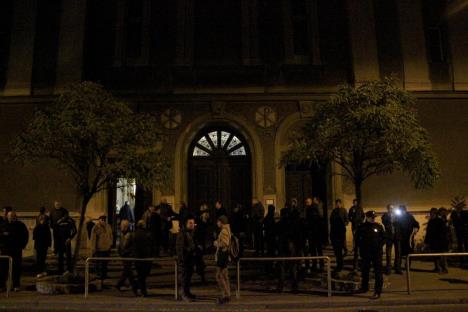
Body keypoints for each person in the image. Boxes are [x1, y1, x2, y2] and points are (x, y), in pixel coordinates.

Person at [356, 210, 385, 299]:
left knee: (378, 272)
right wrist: (360, 249)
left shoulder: (378, 227)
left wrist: (379, 246)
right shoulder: (362, 227)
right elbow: (357, 239)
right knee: (365, 271)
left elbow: (384, 238)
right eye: (371, 217)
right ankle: (364, 287)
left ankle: (377, 291)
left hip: (376, 253)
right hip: (366, 253)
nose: (373, 219)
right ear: (367, 217)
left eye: (374, 217)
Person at [3, 212, 29, 291]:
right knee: (4, 268)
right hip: (5, 250)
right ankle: (3, 285)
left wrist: (22, 245)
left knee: (16, 268)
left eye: (13, 216)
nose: (12, 218)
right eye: (10, 216)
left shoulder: (20, 225)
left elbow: (25, 235)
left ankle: (16, 285)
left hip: (17, 249)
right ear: (7, 217)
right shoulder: (3, 225)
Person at [176, 216, 197, 301]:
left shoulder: (190, 233)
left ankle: (187, 292)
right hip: (185, 259)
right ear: (186, 224)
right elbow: (179, 247)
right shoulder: (182, 233)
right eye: (190, 223)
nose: (192, 225)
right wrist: (181, 259)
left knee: (188, 277)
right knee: (184, 278)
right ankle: (184, 294)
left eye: (193, 223)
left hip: (190, 259)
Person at [394, 205, 419, 273]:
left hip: (408, 239)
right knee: (399, 253)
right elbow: (393, 225)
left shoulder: (409, 216)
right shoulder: (397, 217)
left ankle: (407, 266)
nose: (402, 212)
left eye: (403, 210)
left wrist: (416, 229)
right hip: (400, 238)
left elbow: (416, 224)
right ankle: (398, 268)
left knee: (409, 253)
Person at [116, 220, 138, 295]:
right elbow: (120, 245)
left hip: (128, 256)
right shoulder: (122, 234)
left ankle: (121, 284)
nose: (121, 227)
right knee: (128, 271)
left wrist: (124, 252)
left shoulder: (130, 235)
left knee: (127, 271)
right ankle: (133, 286)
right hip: (124, 255)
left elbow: (132, 247)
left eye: (122, 226)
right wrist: (119, 251)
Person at [425, 208, 449, 273]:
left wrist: (445, 241)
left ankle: (444, 269)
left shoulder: (440, 221)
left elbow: (444, 232)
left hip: (440, 242)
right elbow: (428, 232)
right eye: (430, 214)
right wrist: (426, 241)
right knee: (435, 256)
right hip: (433, 242)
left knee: (442, 256)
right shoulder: (430, 222)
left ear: (435, 214)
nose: (431, 215)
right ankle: (437, 268)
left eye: (432, 214)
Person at [214, 215, 232, 304]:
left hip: (222, 256)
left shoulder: (224, 231)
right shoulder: (227, 229)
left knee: (219, 276)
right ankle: (227, 294)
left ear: (221, 222)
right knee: (224, 276)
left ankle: (225, 295)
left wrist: (216, 243)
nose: (217, 223)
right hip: (225, 256)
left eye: (218, 222)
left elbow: (225, 243)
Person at [304, 198, 324, 272]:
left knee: (315, 250)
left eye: (308, 202)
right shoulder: (313, 209)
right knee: (317, 250)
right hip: (315, 233)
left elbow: (309, 222)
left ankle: (316, 265)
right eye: (306, 202)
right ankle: (320, 265)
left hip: (314, 233)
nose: (306, 203)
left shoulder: (311, 209)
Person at [90, 215, 113, 280]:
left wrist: (110, 244)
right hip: (99, 249)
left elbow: (111, 235)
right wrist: (93, 248)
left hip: (106, 248)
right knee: (98, 263)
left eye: (104, 219)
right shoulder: (96, 227)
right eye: (101, 219)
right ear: (99, 219)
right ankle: (98, 276)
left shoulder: (108, 226)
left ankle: (104, 275)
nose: (103, 220)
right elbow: (93, 239)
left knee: (105, 263)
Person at [133, 220, 153, 297]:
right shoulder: (146, 234)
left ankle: (140, 288)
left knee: (141, 276)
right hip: (144, 257)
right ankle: (142, 290)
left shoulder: (136, 233)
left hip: (138, 258)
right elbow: (149, 246)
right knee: (142, 276)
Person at [330, 199, 348, 272]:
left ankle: (340, 265)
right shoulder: (334, 211)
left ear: (340, 204)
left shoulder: (343, 210)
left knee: (339, 251)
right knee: (337, 252)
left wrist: (345, 224)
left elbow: (346, 219)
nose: (337, 205)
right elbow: (331, 220)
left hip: (340, 233)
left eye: (338, 203)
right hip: (335, 234)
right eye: (336, 203)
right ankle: (339, 265)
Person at [449, 196, 468, 266]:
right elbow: (451, 221)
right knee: (459, 245)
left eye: (460, 206)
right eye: (457, 206)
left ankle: (466, 259)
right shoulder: (453, 213)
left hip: (464, 231)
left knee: (466, 245)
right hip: (457, 231)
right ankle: (461, 260)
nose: (458, 207)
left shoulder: (465, 213)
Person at [348, 199, 365, 270]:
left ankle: (359, 249)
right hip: (354, 226)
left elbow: (363, 215)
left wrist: (361, 221)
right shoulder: (352, 209)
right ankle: (355, 247)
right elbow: (349, 216)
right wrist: (352, 221)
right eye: (354, 202)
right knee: (355, 239)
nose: (355, 203)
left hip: (360, 226)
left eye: (356, 202)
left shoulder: (360, 208)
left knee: (360, 240)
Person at [381, 204, 397, 275]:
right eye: (390, 208)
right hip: (389, 236)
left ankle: (397, 267)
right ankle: (388, 269)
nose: (392, 210)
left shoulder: (396, 215)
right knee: (388, 253)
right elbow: (384, 222)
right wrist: (391, 220)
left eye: (393, 208)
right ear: (388, 209)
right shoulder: (385, 215)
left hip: (396, 236)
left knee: (398, 253)